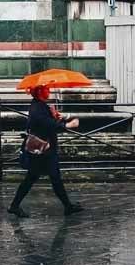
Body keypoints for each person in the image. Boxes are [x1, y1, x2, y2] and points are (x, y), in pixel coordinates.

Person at [7, 85, 84, 218]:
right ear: (39, 91)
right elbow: (47, 125)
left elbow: (48, 122)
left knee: (41, 178)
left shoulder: (40, 105)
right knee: (48, 177)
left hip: (44, 149)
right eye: (46, 89)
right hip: (43, 150)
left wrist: (55, 116)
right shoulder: (37, 108)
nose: (48, 91)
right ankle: (67, 207)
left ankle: (67, 206)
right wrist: (67, 125)